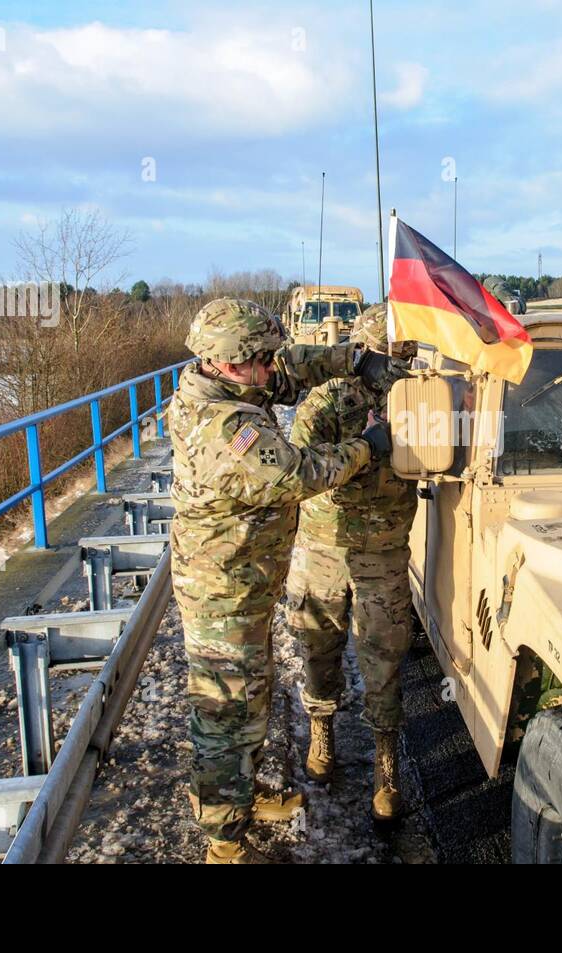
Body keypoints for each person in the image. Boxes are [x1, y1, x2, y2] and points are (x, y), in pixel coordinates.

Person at [168, 298, 402, 863]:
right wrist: (366, 450)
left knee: (251, 697)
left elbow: (292, 369)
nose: (274, 369)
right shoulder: (223, 425)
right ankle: (224, 844)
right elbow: (299, 473)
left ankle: (238, 805)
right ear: (232, 361)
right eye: (263, 360)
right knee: (226, 712)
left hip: (242, 583)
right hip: (222, 589)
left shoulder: (224, 383)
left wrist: (354, 359)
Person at [285, 304, 419, 821]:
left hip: (383, 549)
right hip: (324, 546)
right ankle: (322, 732)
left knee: (384, 656)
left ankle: (387, 764)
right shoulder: (326, 403)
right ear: (364, 353)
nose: (397, 363)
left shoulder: (421, 402)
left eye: (405, 353)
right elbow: (300, 472)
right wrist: (362, 447)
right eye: (389, 354)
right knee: (318, 643)